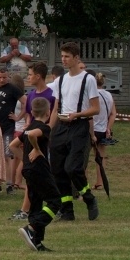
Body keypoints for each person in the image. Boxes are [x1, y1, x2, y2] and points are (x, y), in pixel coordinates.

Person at [48, 42, 100, 222]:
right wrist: (48, 129)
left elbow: (96, 108)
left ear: (76, 58)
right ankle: (67, 210)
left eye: (67, 56)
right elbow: (55, 108)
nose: (63, 59)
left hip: (79, 126)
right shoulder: (60, 80)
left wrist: (78, 114)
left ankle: (88, 197)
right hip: (61, 127)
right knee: (57, 169)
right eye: (62, 56)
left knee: (72, 168)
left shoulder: (88, 79)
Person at [14, 96, 61, 252]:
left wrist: (25, 160)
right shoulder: (44, 128)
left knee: (36, 205)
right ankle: (32, 228)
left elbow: (13, 145)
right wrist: (37, 149)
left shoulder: (27, 127)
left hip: (28, 170)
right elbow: (34, 135)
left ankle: (37, 242)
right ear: (48, 112)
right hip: (39, 170)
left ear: (32, 112)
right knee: (55, 201)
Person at [0, 67, 23, 194]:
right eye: (0, 77)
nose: (2, 80)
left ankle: (9, 184)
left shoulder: (13, 89)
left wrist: (18, 117)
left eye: (4, 77)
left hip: (7, 126)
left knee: (8, 154)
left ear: (8, 77)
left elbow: (26, 102)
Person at [90, 72, 116, 192]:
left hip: (91, 129)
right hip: (103, 130)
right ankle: (100, 182)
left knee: (84, 156)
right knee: (101, 157)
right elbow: (113, 113)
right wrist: (108, 128)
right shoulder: (109, 95)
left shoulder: (92, 95)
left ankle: (82, 183)